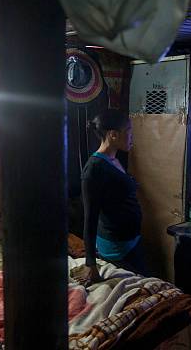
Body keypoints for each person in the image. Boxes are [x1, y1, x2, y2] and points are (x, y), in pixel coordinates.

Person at [75, 110, 146, 286]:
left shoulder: (113, 158)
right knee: (141, 284)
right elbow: (90, 219)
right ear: (113, 135)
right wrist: (90, 263)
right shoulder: (93, 170)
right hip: (117, 246)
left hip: (129, 240)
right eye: (128, 131)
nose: (132, 137)